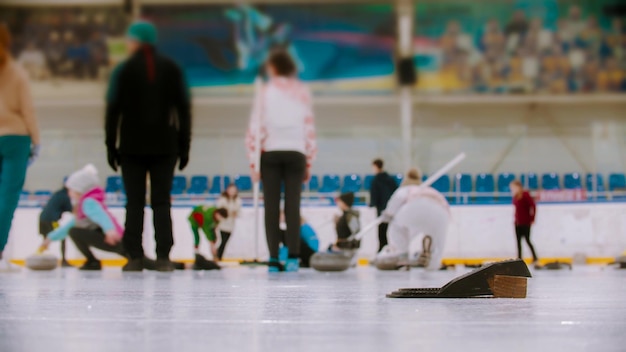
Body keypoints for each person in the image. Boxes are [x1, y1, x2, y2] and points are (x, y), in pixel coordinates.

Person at [105, 20, 192, 272]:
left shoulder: (123, 70)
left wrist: (111, 146)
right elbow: (183, 111)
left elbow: (113, 113)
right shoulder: (172, 68)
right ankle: (163, 256)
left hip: (131, 147)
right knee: (161, 202)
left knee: (134, 202)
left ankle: (134, 257)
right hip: (165, 147)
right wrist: (184, 146)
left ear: (135, 42)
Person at [246, 50, 317, 272]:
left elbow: (256, 128)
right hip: (296, 152)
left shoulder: (266, 91)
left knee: (271, 208)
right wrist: (308, 162)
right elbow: (309, 128)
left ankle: (274, 257)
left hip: (271, 153)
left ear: (273, 68)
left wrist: (254, 163)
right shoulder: (302, 92)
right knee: (293, 206)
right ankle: (294, 257)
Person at [0, 24, 41, 272]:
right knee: (7, 198)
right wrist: (36, 141)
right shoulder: (16, 72)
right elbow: (28, 110)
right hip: (16, 138)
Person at [39, 165, 126, 271]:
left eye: (70, 189)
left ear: (79, 189)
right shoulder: (83, 205)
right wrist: (49, 239)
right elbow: (69, 225)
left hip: (113, 238)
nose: (68, 193)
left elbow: (101, 215)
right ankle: (93, 261)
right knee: (74, 230)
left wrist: (109, 230)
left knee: (74, 232)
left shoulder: (88, 202)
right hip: (110, 238)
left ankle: (92, 261)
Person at [375, 169, 451, 271]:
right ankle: (433, 262)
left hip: (416, 206)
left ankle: (401, 255)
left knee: (396, 225)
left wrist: (388, 214)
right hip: (442, 212)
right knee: (436, 235)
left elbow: (394, 205)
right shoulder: (428, 189)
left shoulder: (406, 189)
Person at [39, 186, 73, 266]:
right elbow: (70, 209)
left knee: (45, 239)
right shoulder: (65, 196)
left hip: (42, 218)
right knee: (62, 237)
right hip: (52, 220)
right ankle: (64, 261)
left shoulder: (57, 194)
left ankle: (41, 260)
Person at [369, 159, 397, 252]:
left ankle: (382, 249)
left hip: (381, 209)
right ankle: (388, 249)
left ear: (376, 166)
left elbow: (375, 195)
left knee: (382, 231)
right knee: (391, 230)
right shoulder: (390, 179)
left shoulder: (376, 180)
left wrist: (372, 203)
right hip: (391, 208)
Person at [509, 180, 538, 263]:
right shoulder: (515, 196)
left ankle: (535, 257)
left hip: (526, 222)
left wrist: (532, 218)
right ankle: (519, 259)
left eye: (513, 187)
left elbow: (533, 206)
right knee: (518, 242)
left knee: (527, 240)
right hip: (517, 223)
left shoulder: (525, 195)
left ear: (518, 186)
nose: (512, 189)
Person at [216, 184, 242, 261]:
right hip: (222, 225)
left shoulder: (237, 200)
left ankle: (218, 256)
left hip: (230, 226)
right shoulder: (222, 199)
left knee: (225, 242)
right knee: (223, 242)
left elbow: (238, 212)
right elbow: (220, 211)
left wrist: (232, 213)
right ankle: (218, 257)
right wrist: (229, 213)